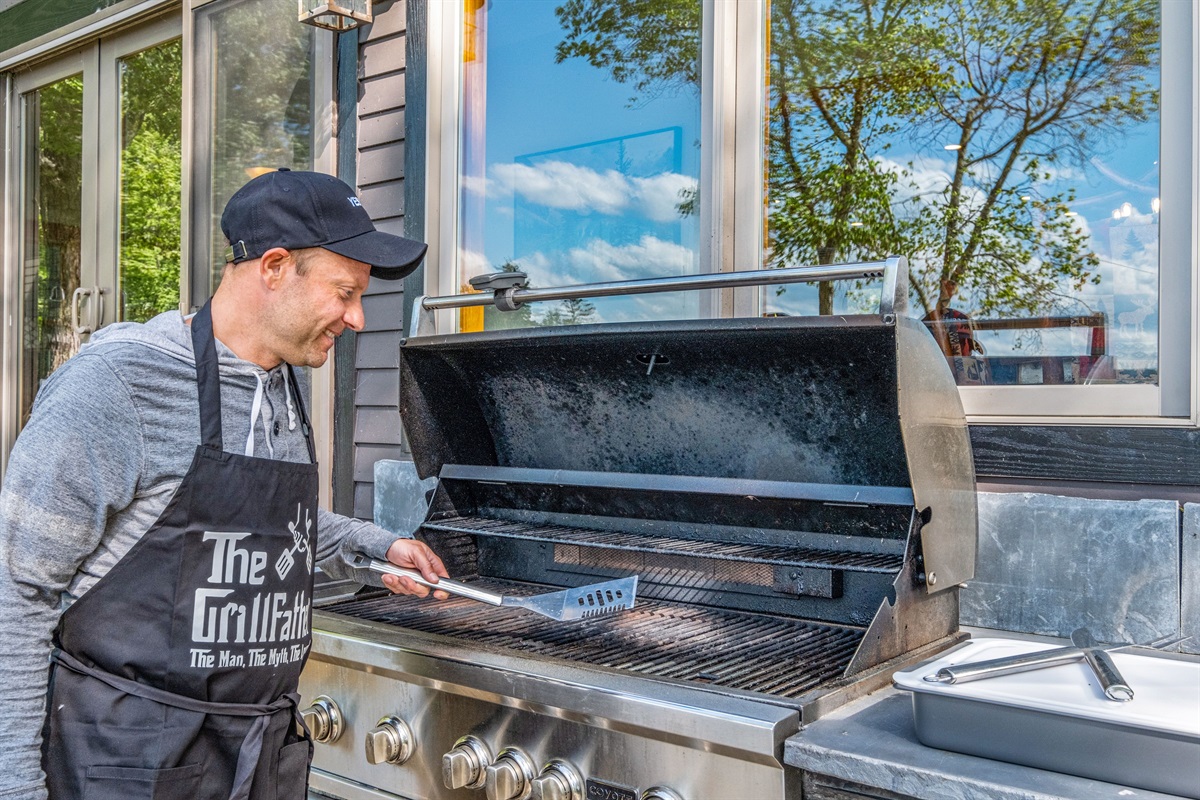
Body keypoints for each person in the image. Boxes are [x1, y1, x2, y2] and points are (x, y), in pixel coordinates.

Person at [0, 169, 450, 800]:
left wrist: (374, 546)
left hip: (253, 756)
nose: (355, 318)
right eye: (345, 292)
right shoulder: (118, 386)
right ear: (273, 267)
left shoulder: (286, 390)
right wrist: (16, 787)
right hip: (125, 762)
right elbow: (16, 594)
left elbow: (256, 525)